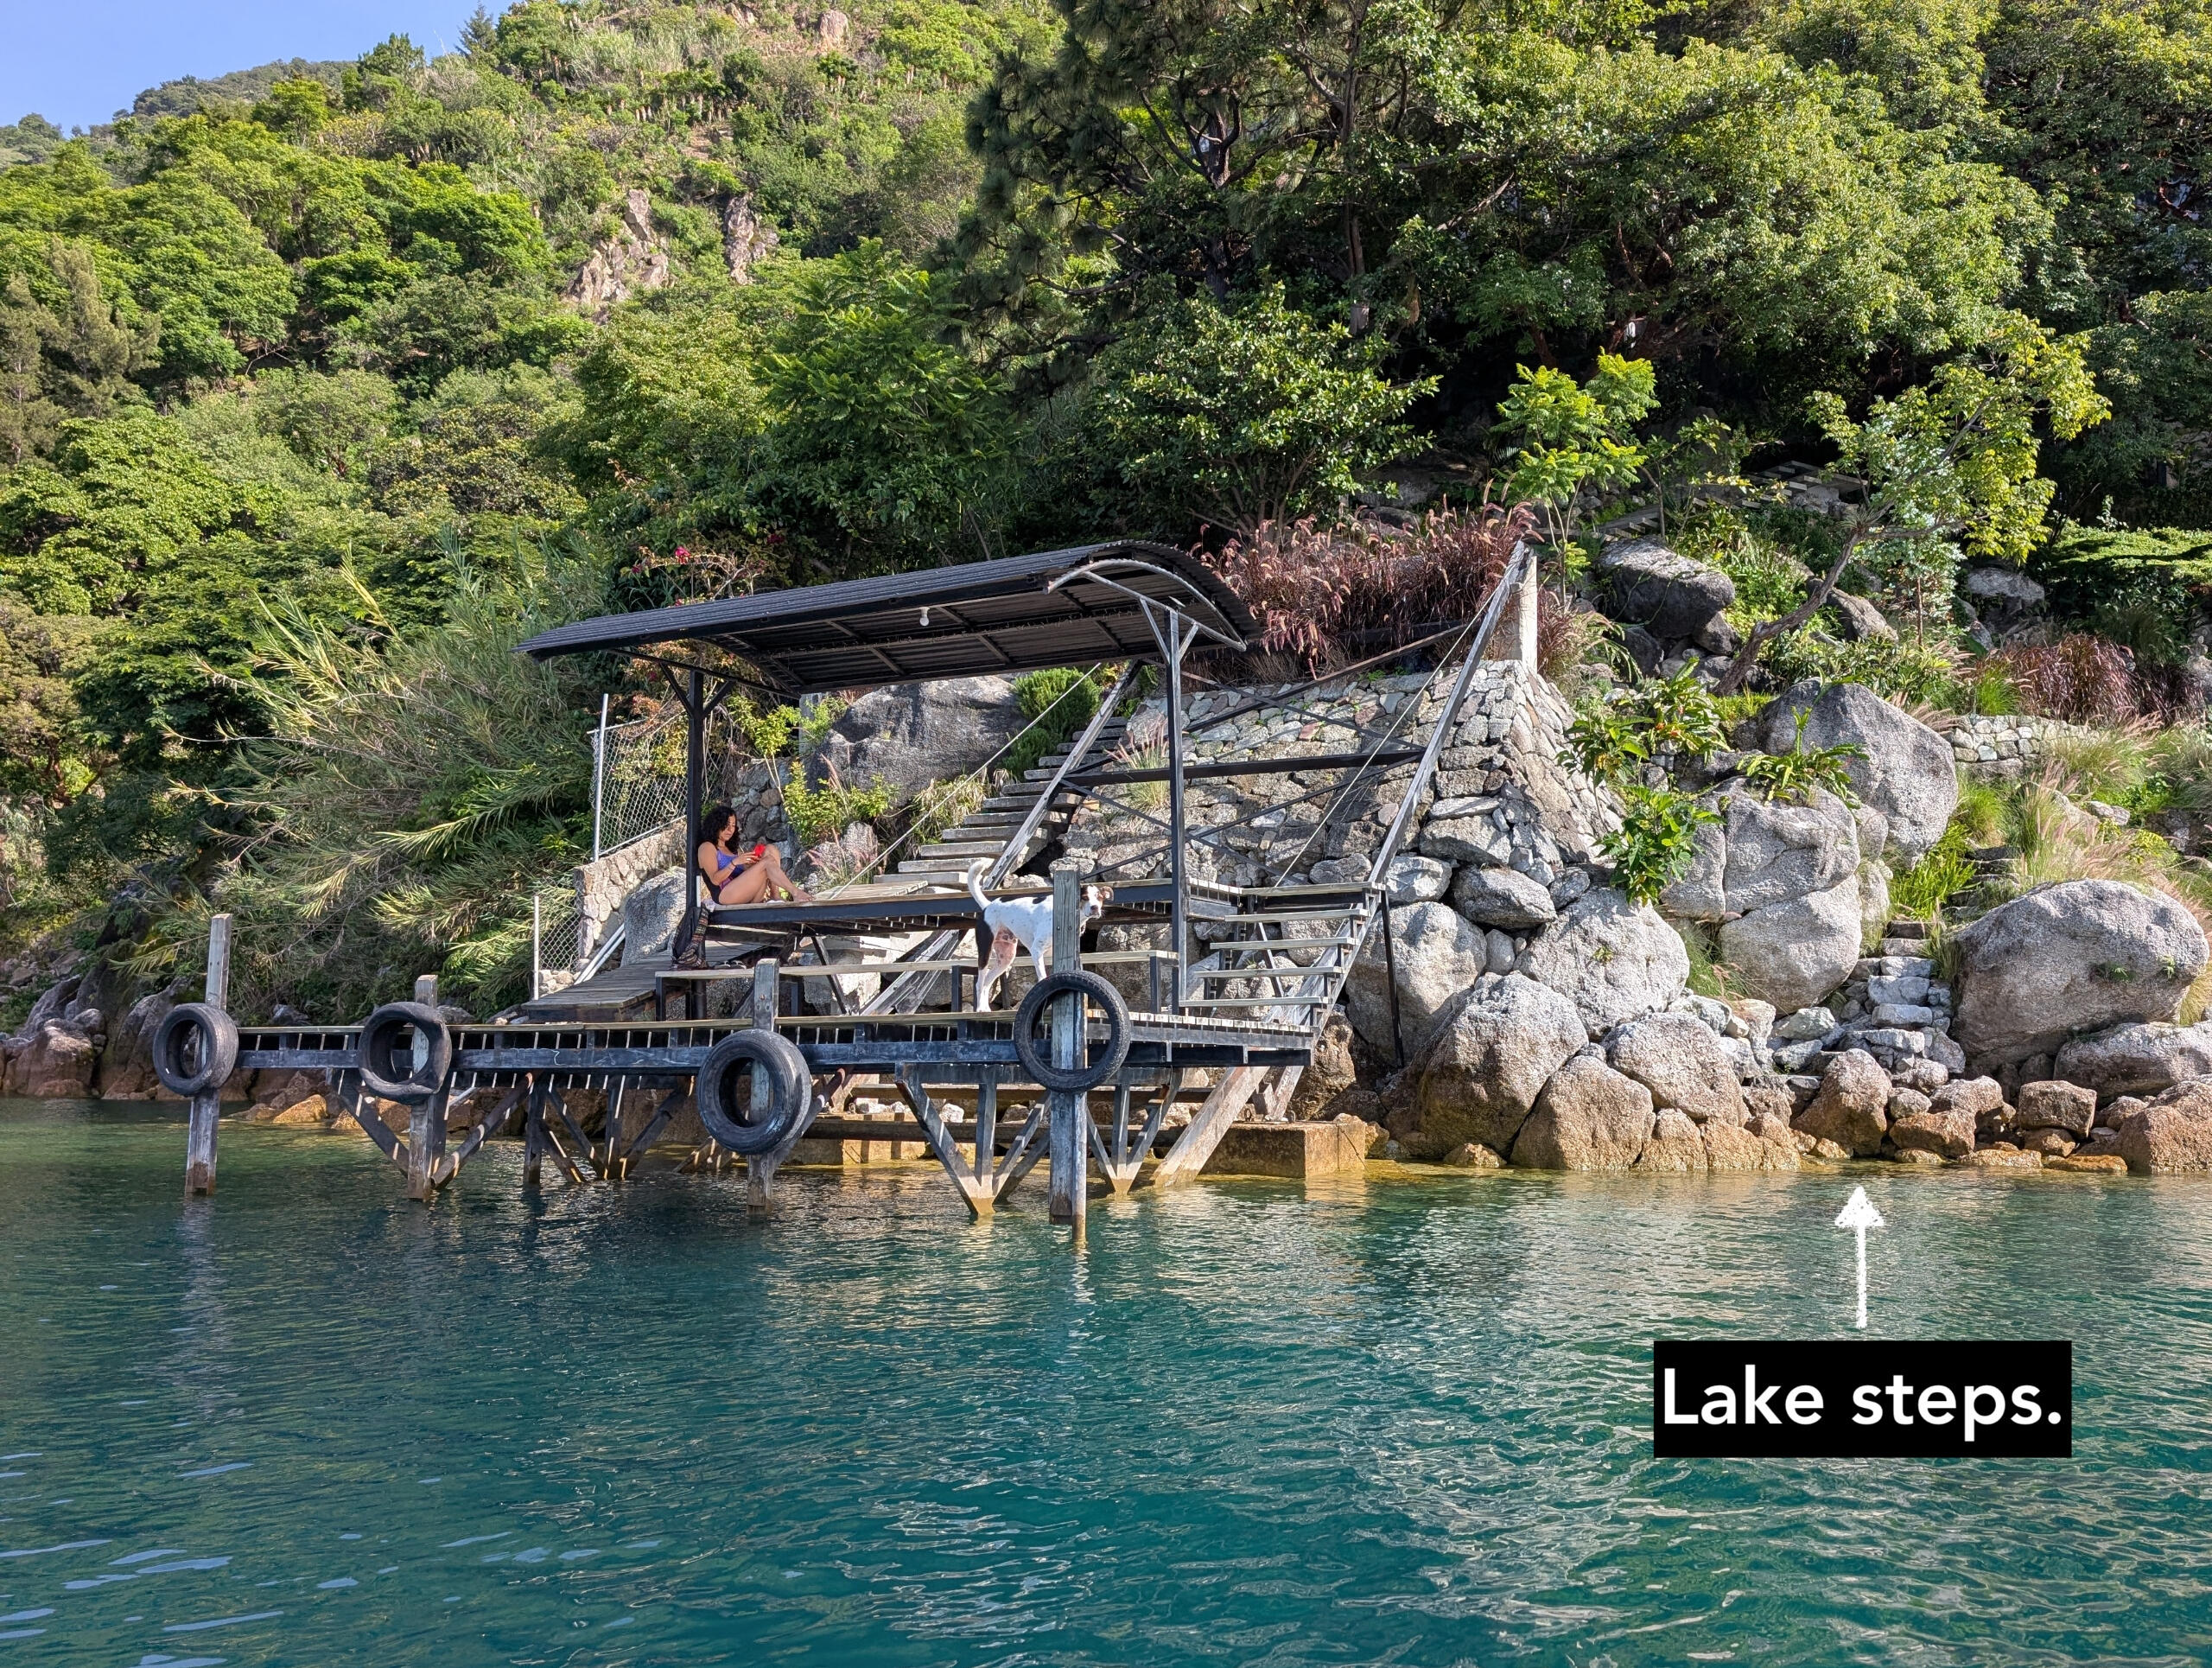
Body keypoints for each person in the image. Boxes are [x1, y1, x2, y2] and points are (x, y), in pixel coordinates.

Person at [697, 805, 813, 906]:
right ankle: (796, 893)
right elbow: (715, 880)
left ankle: (775, 895)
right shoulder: (707, 847)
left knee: (770, 850)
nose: (730, 830)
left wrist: (749, 865)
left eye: (733, 825)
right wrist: (735, 862)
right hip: (725, 896)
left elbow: (740, 876)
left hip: (744, 893)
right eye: (726, 825)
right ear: (716, 825)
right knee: (767, 862)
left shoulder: (729, 848)